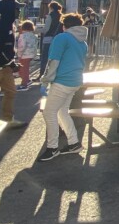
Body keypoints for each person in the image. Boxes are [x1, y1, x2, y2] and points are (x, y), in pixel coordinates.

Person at [38, 12, 88, 161]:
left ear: (64, 26)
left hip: (62, 81)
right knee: (62, 112)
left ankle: (52, 147)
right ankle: (73, 143)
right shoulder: (82, 41)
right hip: (75, 81)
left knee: (49, 113)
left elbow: (53, 61)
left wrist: (46, 80)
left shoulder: (62, 38)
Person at [38, 0, 63, 77]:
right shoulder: (61, 16)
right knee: (56, 57)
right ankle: (55, 74)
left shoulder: (50, 16)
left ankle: (42, 74)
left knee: (45, 57)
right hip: (59, 38)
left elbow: (46, 29)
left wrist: (36, 30)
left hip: (49, 38)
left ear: (51, 8)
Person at [15, 20, 37, 91]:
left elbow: (22, 46)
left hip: (24, 55)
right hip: (31, 54)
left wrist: (19, 54)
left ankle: (24, 84)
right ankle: (27, 80)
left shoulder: (23, 36)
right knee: (26, 69)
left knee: (23, 69)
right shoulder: (33, 36)